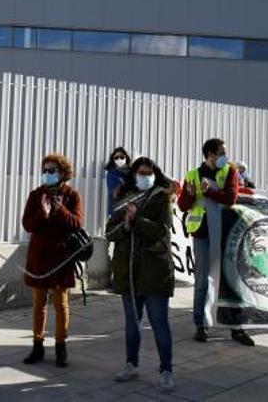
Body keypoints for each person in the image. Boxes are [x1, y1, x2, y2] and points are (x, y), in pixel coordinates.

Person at [106, 157, 175, 392]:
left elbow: (161, 231)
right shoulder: (124, 198)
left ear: (155, 174)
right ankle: (131, 363)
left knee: (159, 323)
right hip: (129, 272)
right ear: (133, 175)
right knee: (132, 323)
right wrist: (125, 225)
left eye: (149, 172)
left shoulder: (162, 197)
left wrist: (137, 221)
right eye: (140, 173)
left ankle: (166, 369)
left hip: (154, 271)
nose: (144, 176)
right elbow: (110, 232)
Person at [177, 138, 254, 346]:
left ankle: (237, 327)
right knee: (202, 279)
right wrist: (191, 195)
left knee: (231, 279)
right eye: (221, 152)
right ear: (210, 154)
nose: (225, 157)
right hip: (202, 233)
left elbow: (231, 198)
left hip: (226, 233)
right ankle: (200, 325)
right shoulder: (192, 175)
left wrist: (209, 191)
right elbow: (182, 205)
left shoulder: (229, 172)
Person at [22, 153, 83, 367]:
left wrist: (60, 210)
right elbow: (28, 224)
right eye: (44, 170)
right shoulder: (36, 194)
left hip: (61, 256)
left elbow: (76, 223)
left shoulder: (71, 194)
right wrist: (43, 213)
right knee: (39, 304)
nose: (47, 174)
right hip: (39, 256)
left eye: (52, 170)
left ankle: (60, 346)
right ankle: (37, 345)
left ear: (63, 173)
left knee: (61, 304)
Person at [105, 147, 131, 217]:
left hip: (131, 210)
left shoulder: (131, 173)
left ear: (126, 158)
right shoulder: (111, 174)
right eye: (116, 158)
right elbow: (114, 193)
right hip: (116, 210)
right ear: (113, 160)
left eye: (122, 157)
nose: (119, 159)